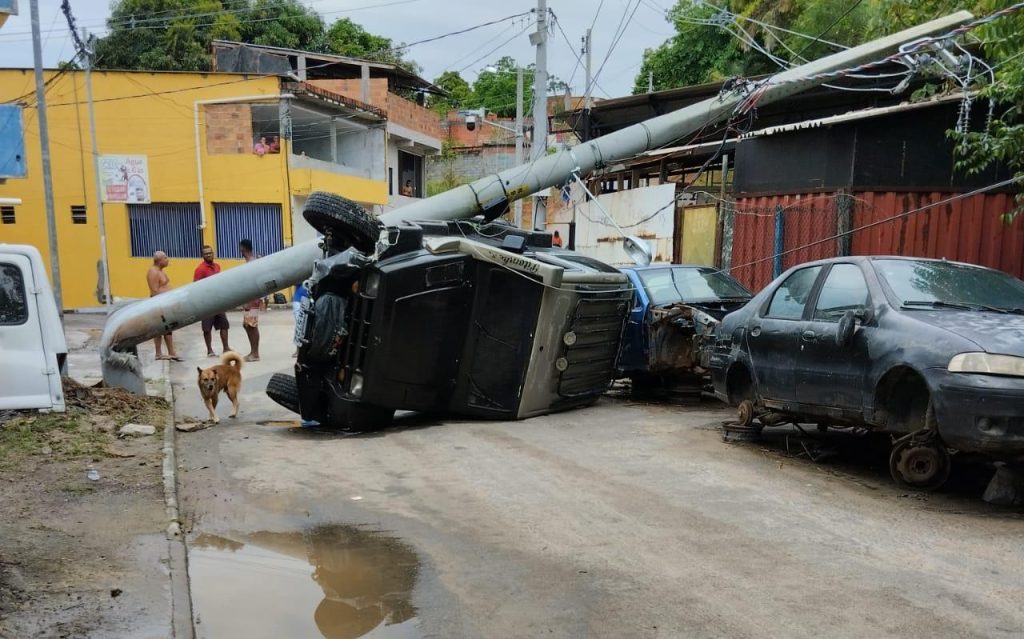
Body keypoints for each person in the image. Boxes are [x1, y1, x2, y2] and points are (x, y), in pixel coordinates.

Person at [194, 245, 231, 357]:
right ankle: (209, 350)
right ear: (203, 255)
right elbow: (195, 287)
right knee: (207, 328)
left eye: (210, 253)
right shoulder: (200, 269)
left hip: (218, 302)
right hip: (206, 304)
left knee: (224, 325)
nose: (209, 255)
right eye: (206, 253)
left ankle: (226, 348)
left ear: (213, 253)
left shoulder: (217, 266)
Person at [146, 251, 181, 361]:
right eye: (165, 258)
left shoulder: (160, 271)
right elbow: (154, 291)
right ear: (159, 260)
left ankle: (172, 352)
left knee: (168, 328)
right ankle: (158, 353)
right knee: (159, 329)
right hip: (158, 303)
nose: (167, 259)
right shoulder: (153, 272)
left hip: (165, 303)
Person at [239, 239, 264, 362]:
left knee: (251, 326)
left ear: (243, 248)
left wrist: (258, 299)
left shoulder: (252, 263)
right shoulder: (251, 262)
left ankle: (255, 353)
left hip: (252, 300)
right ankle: (253, 351)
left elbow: (257, 282)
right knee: (247, 325)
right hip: (249, 299)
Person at [292, 282, 309, 358]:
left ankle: (304, 349)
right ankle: (299, 350)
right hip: (299, 300)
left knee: (308, 326)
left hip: (311, 298)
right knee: (300, 325)